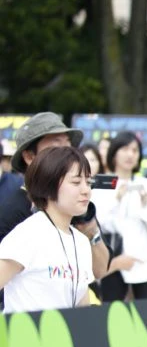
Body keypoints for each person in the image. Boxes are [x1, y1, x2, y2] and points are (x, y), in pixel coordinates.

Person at [0, 114, 108, 295]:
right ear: (29, 156)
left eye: (88, 182)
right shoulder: (22, 229)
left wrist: (91, 232)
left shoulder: (78, 226)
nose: (85, 190)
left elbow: (97, 274)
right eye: (56, 146)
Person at [0, 147, 95, 311]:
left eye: (89, 182)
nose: (86, 190)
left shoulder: (81, 242)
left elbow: (82, 308)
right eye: (76, 182)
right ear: (48, 185)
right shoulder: (28, 235)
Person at [92, 132, 147, 301]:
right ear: (114, 153)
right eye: (125, 149)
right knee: (112, 310)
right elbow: (96, 222)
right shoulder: (103, 182)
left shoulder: (145, 184)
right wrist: (116, 199)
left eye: (135, 150)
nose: (130, 155)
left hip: (144, 262)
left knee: (145, 311)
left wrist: (145, 206)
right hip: (113, 260)